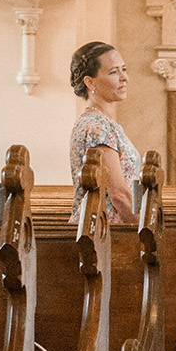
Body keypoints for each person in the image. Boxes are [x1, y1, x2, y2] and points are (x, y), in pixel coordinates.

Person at [68, 41, 141, 225]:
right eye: (113, 72)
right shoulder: (96, 127)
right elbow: (118, 195)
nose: (124, 77)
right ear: (89, 81)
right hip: (105, 232)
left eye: (124, 69)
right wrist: (146, 232)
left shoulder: (104, 123)